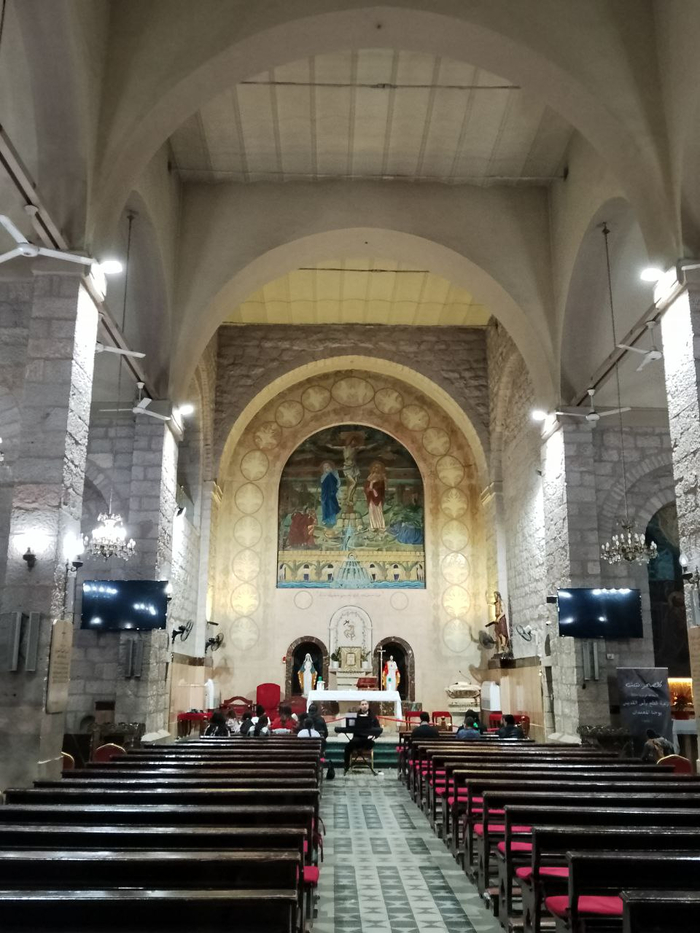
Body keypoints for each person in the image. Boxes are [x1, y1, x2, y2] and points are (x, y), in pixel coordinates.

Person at [343, 699, 382, 773]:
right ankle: (346, 766)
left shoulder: (372, 717)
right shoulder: (355, 716)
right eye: (362, 704)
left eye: (366, 704)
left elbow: (378, 729)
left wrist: (374, 736)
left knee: (371, 743)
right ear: (360, 706)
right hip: (357, 739)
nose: (364, 706)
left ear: (368, 706)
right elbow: (350, 726)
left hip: (367, 740)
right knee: (347, 747)